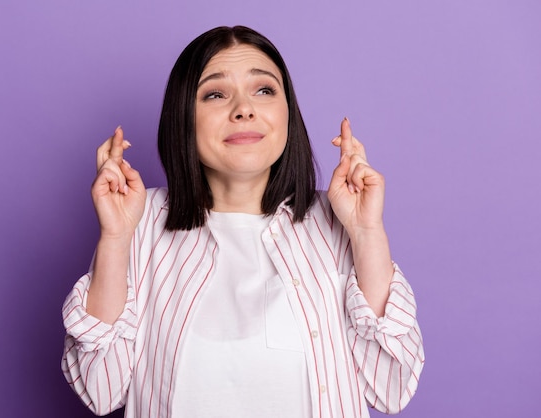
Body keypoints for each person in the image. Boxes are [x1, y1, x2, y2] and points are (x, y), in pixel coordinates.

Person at [62, 25, 424, 418]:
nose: (244, 108)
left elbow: (391, 387)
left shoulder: (335, 221)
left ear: (288, 112)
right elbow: (100, 388)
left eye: (264, 90)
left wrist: (367, 231)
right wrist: (115, 238)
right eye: (215, 94)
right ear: (183, 117)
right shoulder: (140, 221)